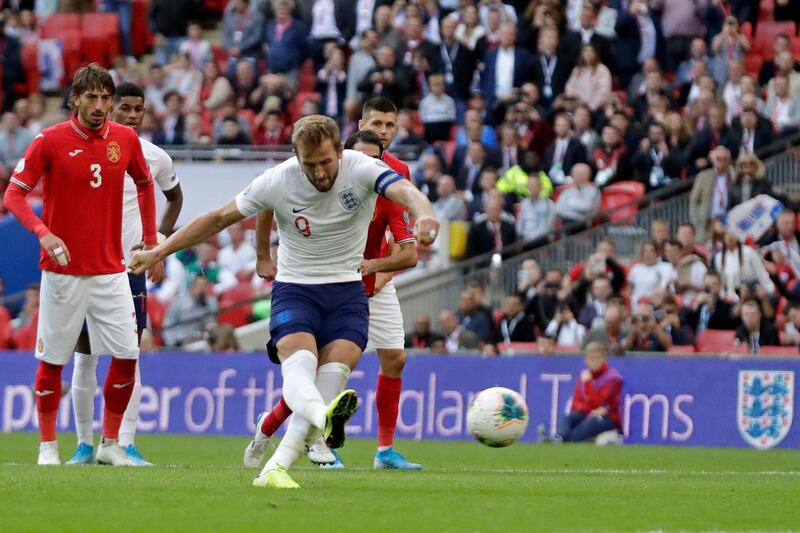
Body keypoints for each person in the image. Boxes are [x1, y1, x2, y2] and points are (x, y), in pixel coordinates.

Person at [130, 114, 438, 489]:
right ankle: (321, 422)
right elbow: (217, 219)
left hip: (347, 292)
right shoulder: (279, 179)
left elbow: (407, 191)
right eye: (310, 165)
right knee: (300, 370)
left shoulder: (361, 167)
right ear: (296, 158)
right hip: (296, 288)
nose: (320, 172)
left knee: (332, 376)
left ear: (339, 151)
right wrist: (159, 250)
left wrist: (424, 214)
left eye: (326, 162)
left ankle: (276, 466)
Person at [3, 65, 161, 466]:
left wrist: (151, 238)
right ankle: (48, 448)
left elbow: (144, 183)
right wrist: (44, 232)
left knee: (128, 355)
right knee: (53, 360)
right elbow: (14, 196)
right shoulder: (50, 140)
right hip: (62, 274)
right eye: (92, 97)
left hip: (112, 271)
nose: (100, 106)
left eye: (106, 98)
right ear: (75, 99)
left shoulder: (125, 139)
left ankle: (110, 445)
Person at [66, 82, 183, 467]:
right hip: (86, 266)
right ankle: (84, 445)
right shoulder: (87, 150)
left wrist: (157, 242)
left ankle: (123, 442)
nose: (132, 115)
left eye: (139, 109)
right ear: (110, 108)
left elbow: (175, 197)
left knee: (128, 355)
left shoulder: (155, 156)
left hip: (128, 268)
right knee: (84, 359)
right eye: (126, 108)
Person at [554, 342, 623, 442]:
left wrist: (588, 383)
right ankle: (558, 438)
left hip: (608, 417)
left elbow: (598, 402)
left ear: (603, 358)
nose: (594, 361)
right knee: (568, 419)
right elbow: (576, 402)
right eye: (591, 358)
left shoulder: (613, 378)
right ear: (586, 360)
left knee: (587, 425)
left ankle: (563, 442)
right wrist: (587, 410)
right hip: (588, 413)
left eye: (597, 357)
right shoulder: (585, 375)